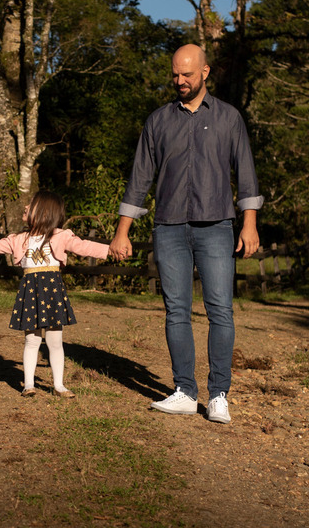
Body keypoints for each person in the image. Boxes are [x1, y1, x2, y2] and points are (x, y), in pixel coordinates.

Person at [108, 44, 262, 424]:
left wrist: (250, 223)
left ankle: (218, 396)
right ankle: (183, 391)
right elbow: (139, 178)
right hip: (170, 228)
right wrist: (121, 233)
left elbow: (246, 173)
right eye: (175, 74)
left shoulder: (229, 118)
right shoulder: (158, 121)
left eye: (187, 75)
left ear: (205, 72)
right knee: (176, 310)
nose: (179, 81)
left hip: (217, 228)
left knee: (220, 311)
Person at [0, 190, 110, 397]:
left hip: (52, 295)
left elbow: (84, 247)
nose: (25, 207)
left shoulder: (61, 236)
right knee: (32, 341)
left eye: (31, 204)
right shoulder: (19, 239)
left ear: (44, 212)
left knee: (54, 341)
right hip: (30, 293)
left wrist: (110, 250)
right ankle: (29, 385)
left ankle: (59, 386)